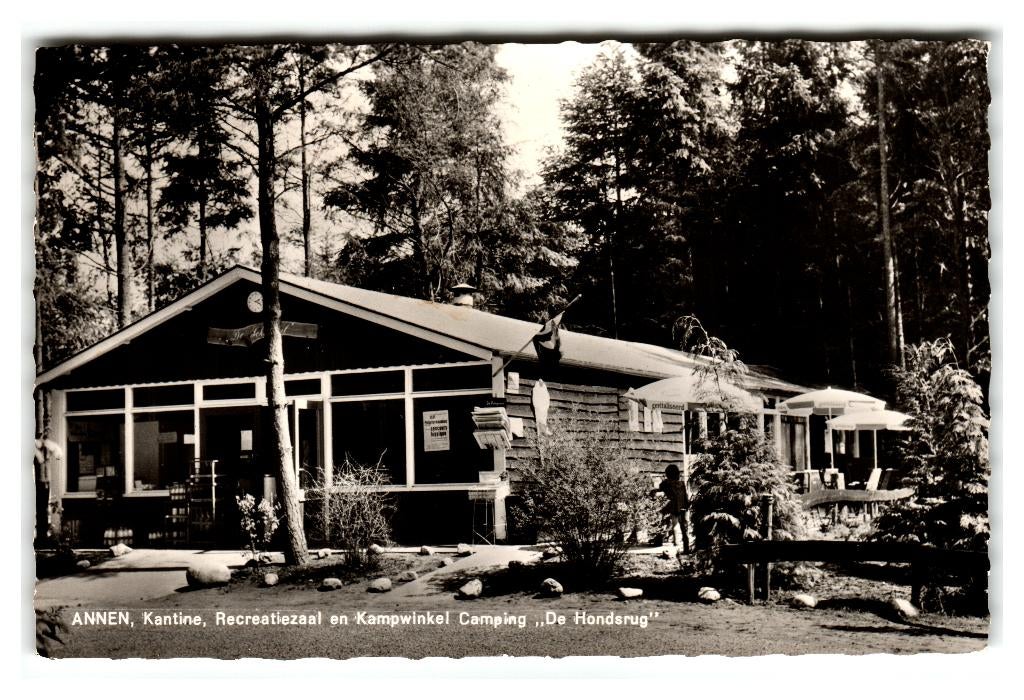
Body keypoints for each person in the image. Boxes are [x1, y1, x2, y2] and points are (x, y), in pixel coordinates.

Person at [654, 464, 690, 553]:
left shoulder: (666, 483)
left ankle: (674, 543)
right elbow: (685, 496)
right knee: (684, 528)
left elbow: (660, 488)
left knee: (673, 525)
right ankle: (686, 548)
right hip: (682, 507)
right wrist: (687, 505)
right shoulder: (681, 484)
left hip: (672, 507)